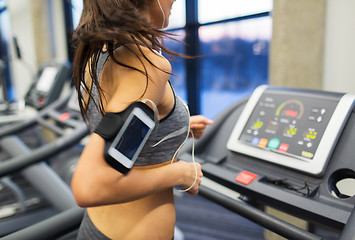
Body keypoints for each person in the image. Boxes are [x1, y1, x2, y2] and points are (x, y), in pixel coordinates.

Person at [70, 0, 213, 239]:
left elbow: (112, 128)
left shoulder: (99, 54)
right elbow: (90, 187)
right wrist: (181, 173)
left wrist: (173, 128)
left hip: (101, 225)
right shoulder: (145, 67)